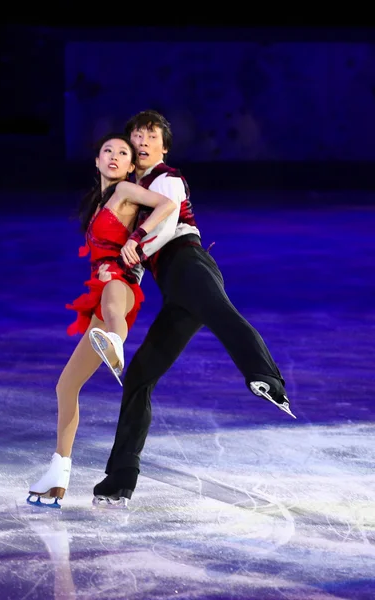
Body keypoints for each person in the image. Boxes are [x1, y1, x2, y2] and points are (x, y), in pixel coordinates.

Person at [92, 111, 295, 508]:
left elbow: (166, 225)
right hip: (174, 286)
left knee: (222, 315)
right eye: (137, 136)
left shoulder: (166, 177)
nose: (142, 142)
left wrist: (138, 245)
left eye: (151, 136)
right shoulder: (134, 188)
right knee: (139, 376)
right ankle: (120, 478)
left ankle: (266, 378)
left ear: (163, 147)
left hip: (187, 262)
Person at [27, 132, 176, 508]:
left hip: (122, 281)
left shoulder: (126, 190)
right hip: (101, 286)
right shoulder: (100, 202)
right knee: (66, 386)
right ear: (96, 161)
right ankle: (59, 471)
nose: (113, 156)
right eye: (106, 151)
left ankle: (116, 344)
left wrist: (138, 238)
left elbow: (167, 204)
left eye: (122, 152)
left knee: (113, 309)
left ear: (131, 165)